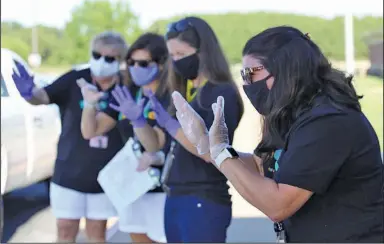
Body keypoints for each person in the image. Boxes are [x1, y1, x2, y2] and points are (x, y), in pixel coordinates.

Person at [172, 26, 384, 243]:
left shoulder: (328, 121)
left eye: (250, 73)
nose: (246, 83)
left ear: (285, 69)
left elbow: (278, 204)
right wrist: (211, 145)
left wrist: (219, 153)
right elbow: (261, 165)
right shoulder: (292, 114)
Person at [110, 17, 244, 242]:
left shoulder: (220, 93)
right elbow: (157, 143)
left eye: (181, 55)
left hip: (202, 197)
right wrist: (139, 122)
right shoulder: (187, 90)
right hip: (176, 195)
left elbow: (211, 153)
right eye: (172, 56)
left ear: (203, 52)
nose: (176, 61)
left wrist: (172, 126)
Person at [11, 31, 129, 243]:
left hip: (105, 176)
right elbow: (43, 97)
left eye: (110, 58)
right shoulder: (76, 79)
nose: (102, 61)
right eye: (96, 54)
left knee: (96, 232)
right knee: (65, 230)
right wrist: (30, 93)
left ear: (120, 61)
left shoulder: (125, 87)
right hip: (69, 172)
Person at [78, 32, 171, 243]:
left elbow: (155, 145)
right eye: (131, 62)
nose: (135, 68)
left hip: (162, 189)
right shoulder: (127, 91)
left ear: (162, 64)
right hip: (134, 186)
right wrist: (90, 105)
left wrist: (138, 121)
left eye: (143, 63)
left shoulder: (169, 95)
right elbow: (90, 131)